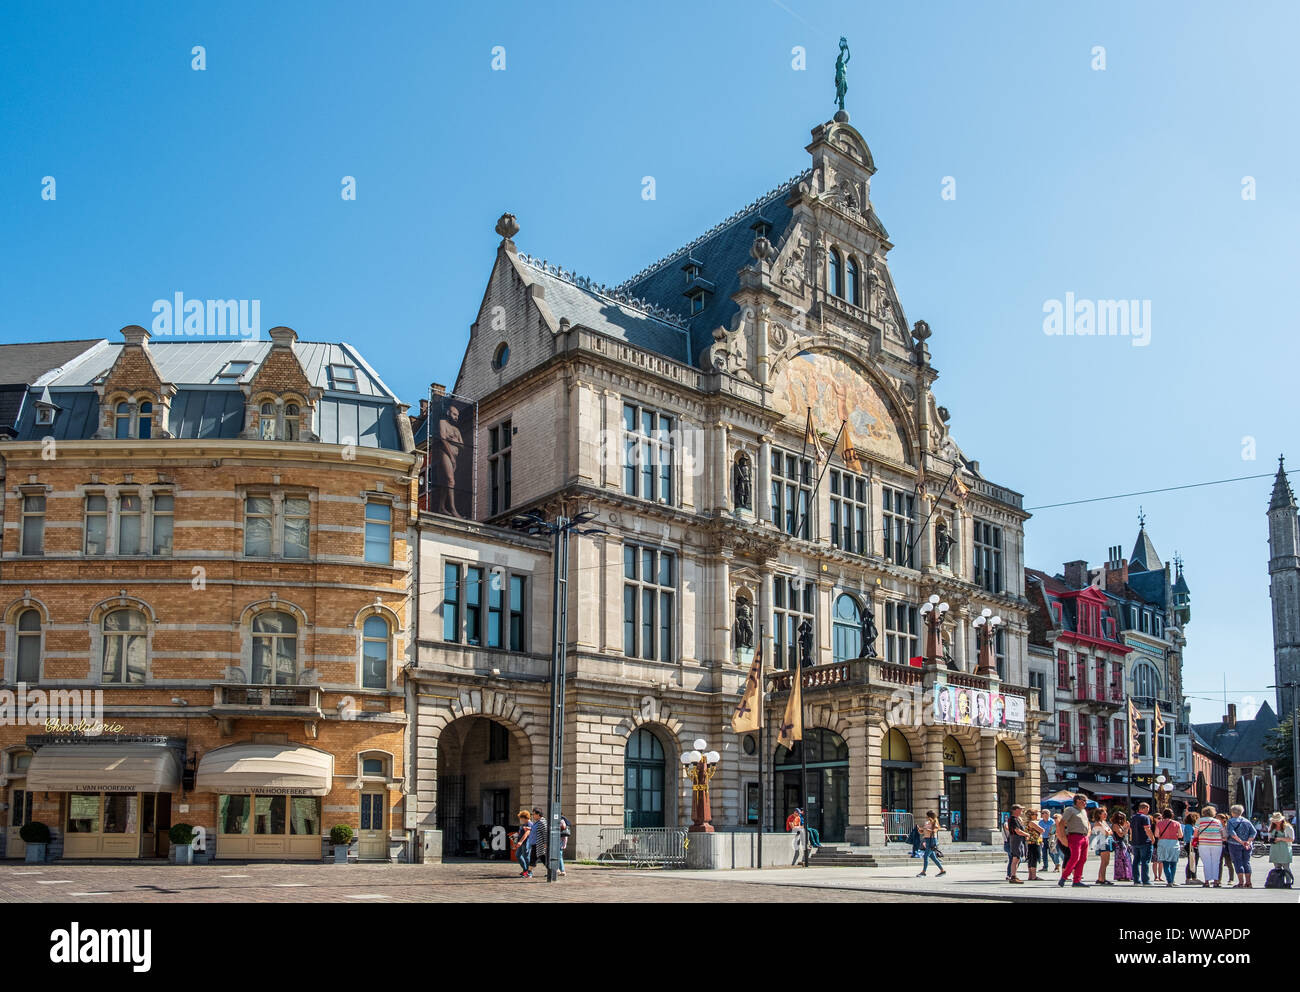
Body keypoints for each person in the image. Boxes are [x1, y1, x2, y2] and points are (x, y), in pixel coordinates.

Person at [1057, 793, 1092, 888]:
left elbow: (1088, 824)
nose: (1085, 803)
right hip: (1075, 836)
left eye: (1086, 801)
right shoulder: (1070, 810)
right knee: (1075, 858)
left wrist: (1088, 834)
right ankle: (1064, 878)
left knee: (1083, 859)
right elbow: (1061, 823)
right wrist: (1063, 837)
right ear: (1077, 801)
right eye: (1083, 800)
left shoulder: (1084, 811)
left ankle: (1077, 880)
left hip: (1084, 837)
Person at [1226, 804, 1258, 888]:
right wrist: (1247, 841)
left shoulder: (1230, 821)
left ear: (1232, 812)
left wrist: (1241, 841)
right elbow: (1253, 832)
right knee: (1246, 862)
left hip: (1234, 844)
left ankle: (1241, 882)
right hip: (1247, 845)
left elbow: (1232, 834)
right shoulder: (1247, 821)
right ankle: (1248, 882)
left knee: (1237, 862)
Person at [1194, 805, 1225, 888]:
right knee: (1216, 862)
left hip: (1204, 843)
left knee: (1206, 862)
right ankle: (1215, 881)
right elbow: (1223, 833)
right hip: (1217, 844)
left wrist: (1195, 840)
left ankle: (1207, 881)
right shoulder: (1217, 821)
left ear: (1204, 812)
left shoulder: (1199, 820)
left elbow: (1195, 833)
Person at [1154, 808, 1182, 887]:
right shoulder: (1177, 823)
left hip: (1163, 843)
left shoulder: (1159, 824)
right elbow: (1180, 835)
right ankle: (1172, 880)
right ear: (1172, 815)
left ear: (1163, 815)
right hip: (1174, 843)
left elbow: (1156, 834)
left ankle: (1169, 880)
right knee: (1173, 863)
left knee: (1165, 863)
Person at [1130, 801, 1155, 886]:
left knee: (1136, 861)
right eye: (1147, 808)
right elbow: (1147, 829)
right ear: (1144, 808)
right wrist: (1152, 838)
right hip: (1145, 841)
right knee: (1145, 861)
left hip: (1135, 842)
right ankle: (1145, 880)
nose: (1148, 810)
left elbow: (1131, 830)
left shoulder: (1133, 817)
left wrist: (1132, 839)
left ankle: (1136, 880)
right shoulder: (1145, 817)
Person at [917, 809, 946, 877]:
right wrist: (920, 830)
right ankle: (942, 870)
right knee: (933, 858)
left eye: (927, 816)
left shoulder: (934, 822)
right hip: (927, 840)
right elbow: (923, 832)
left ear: (930, 816)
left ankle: (923, 872)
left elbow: (935, 830)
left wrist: (929, 830)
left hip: (932, 840)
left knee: (925, 856)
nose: (926, 817)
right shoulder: (927, 823)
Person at [1004, 806, 1028, 884]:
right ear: (1016, 810)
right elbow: (1017, 831)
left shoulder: (1016, 819)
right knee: (1015, 858)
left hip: (1018, 839)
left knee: (1017, 858)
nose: (1022, 811)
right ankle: (1013, 876)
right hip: (1015, 839)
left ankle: (1013, 875)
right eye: (1020, 809)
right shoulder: (1013, 819)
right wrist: (1027, 834)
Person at [1091, 806, 1114, 885]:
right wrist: (1108, 831)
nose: (1106, 815)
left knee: (1106, 861)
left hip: (1106, 841)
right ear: (1099, 814)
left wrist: (1108, 831)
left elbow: (1111, 831)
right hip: (1102, 842)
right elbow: (1107, 833)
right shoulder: (1098, 823)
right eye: (1104, 813)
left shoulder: (1104, 822)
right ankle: (1101, 879)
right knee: (1104, 862)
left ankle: (1102, 878)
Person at [1268, 811, 1295, 876]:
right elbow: (1269, 838)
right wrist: (1272, 840)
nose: (1276, 822)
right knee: (1277, 868)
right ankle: (1278, 883)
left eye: (1277, 820)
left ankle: (1288, 883)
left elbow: (1292, 839)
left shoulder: (1288, 827)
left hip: (1284, 850)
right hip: (1275, 849)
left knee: (1286, 868)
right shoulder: (1271, 827)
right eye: (1274, 821)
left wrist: (1280, 839)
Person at [1112, 810, 1133, 882]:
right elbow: (1121, 834)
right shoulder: (1115, 825)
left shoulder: (1120, 825)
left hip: (1124, 844)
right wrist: (1126, 828)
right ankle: (1122, 876)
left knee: (1126, 860)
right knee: (1121, 861)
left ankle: (1127, 875)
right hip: (1119, 845)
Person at [1217, 813, 1235, 885]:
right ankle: (1218, 879)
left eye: (1218, 818)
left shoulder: (1227, 826)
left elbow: (1231, 835)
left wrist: (1226, 838)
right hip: (1219, 845)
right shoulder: (1217, 826)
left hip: (1226, 845)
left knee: (1228, 863)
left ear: (1222, 819)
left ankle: (1231, 879)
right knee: (1219, 863)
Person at [1025, 808, 1043, 881]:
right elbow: (1042, 830)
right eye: (1036, 814)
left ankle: (1030, 875)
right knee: (1034, 858)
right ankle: (1034, 876)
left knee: (1030, 858)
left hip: (1030, 842)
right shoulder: (1032, 823)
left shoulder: (1029, 822)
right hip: (1034, 842)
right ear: (1031, 815)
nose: (1037, 816)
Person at [514, 810, 533, 878]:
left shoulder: (529, 824)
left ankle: (529, 872)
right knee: (518, 855)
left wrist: (520, 842)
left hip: (526, 842)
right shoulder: (524, 824)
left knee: (526, 857)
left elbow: (526, 834)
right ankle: (525, 869)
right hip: (521, 842)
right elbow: (521, 833)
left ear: (526, 818)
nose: (521, 820)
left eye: (521, 819)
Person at [1183, 811, 1199, 882]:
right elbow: (1190, 837)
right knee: (1192, 861)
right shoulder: (1189, 826)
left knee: (1193, 861)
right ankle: (1189, 878)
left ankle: (1193, 877)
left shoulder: (1190, 826)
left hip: (1191, 844)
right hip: (1191, 844)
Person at [556, 813, 570, 877]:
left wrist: (556, 827)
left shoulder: (561, 820)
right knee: (558, 855)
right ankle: (558, 870)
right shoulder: (561, 819)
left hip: (560, 840)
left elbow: (563, 827)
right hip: (560, 840)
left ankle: (562, 870)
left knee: (559, 855)